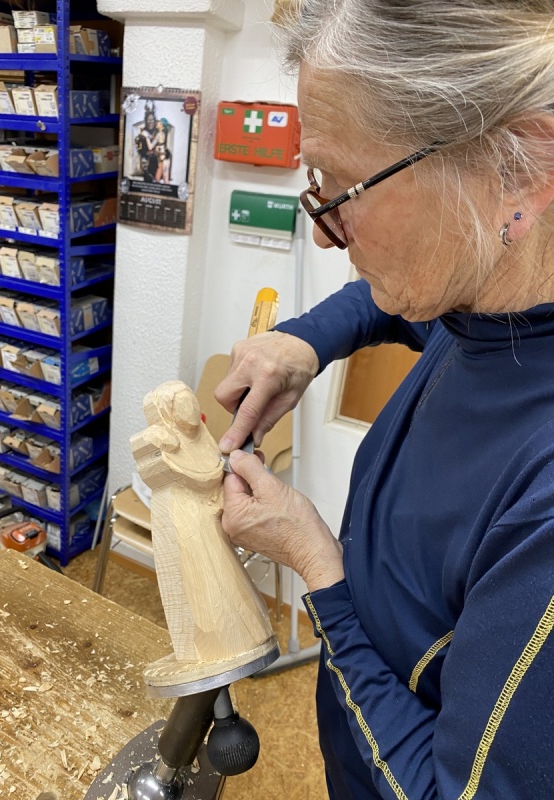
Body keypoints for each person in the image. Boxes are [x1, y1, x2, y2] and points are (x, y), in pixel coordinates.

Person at [215, 2, 554, 799]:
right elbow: (406, 305)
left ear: (519, 174)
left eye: (344, 188)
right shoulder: (491, 295)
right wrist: (304, 342)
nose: (324, 232)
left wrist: (318, 568)